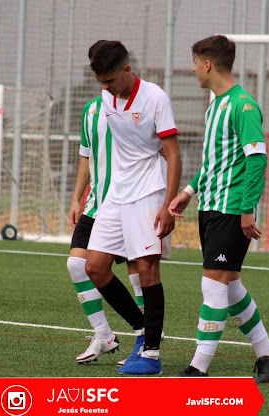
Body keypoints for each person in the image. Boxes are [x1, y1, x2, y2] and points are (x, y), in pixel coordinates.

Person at [168, 34, 269, 383]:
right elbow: (215, 162)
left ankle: (198, 368)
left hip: (232, 210)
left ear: (206, 64)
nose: (192, 70)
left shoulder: (242, 105)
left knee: (213, 286)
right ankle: (268, 353)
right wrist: (189, 190)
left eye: (194, 63)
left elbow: (257, 160)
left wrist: (247, 209)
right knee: (230, 283)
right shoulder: (215, 105)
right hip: (210, 207)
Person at [86, 40, 182, 375]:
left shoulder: (155, 97)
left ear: (127, 70)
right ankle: (143, 332)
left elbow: (173, 152)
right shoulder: (105, 95)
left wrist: (168, 205)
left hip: (150, 190)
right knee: (94, 268)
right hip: (117, 192)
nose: (105, 87)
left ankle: (152, 355)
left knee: (146, 269)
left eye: (109, 80)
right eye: (101, 82)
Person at [67, 40, 146, 365]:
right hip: (97, 203)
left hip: (131, 202)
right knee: (77, 264)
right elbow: (86, 156)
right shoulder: (91, 110)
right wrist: (76, 197)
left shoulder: (143, 103)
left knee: (137, 272)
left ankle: (145, 338)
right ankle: (104, 334)